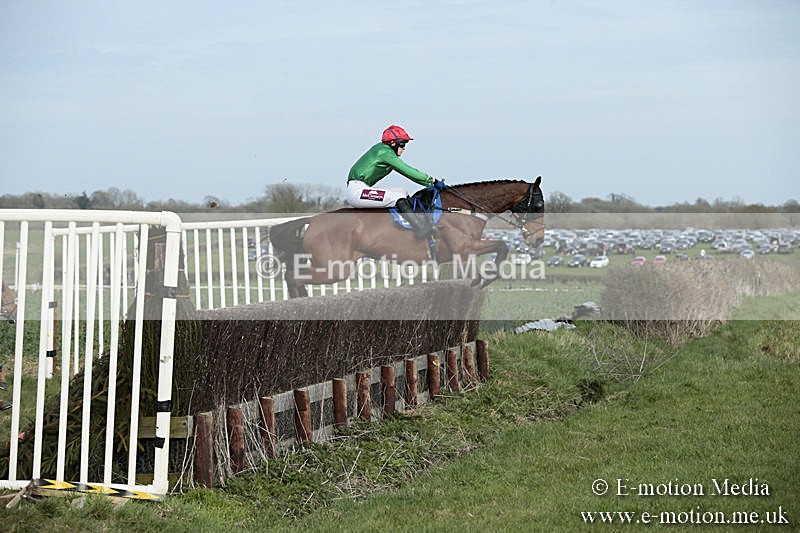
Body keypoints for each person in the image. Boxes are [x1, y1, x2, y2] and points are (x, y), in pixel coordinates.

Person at [346, 125, 440, 238]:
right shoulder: (384, 153)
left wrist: (429, 182)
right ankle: (420, 228)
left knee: (402, 192)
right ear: (393, 143)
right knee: (397, 198)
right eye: (403, 144)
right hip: (357, 191)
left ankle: (415, 220)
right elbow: (408, 170)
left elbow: (407, 173)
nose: (404, 148)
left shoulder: (385, 152)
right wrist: (432, 181)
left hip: (362, 187)